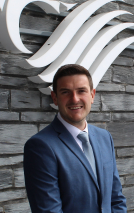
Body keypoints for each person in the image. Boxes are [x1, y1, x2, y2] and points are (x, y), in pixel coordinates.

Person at [23, 64, 127, 213]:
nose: (75, 99)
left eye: (81, 91)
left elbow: (116, 198)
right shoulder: (40, 146)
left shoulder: (105, 137)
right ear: (55, 98)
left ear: (92, 95)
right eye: (65, 92)